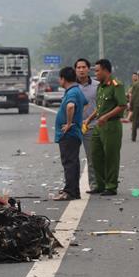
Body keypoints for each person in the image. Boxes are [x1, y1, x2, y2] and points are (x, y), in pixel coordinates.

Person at [83, 59, 127, 196]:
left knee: (111, 157)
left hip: (111, 125)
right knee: (95, 154)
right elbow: (100, 107)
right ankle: (100, 185)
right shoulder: (100, 87)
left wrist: (106, 117)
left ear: (106, 70)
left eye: (97, 70)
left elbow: (122, 105)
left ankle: (111, 186)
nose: (95, 73)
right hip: (98, 125)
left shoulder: (116, 85)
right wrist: (90, 118)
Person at [53, 67, 87, 201]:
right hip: (74, 132)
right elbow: (84, 103)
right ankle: (74, 191)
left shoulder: (72, 92)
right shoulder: (77, 90)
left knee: (69, 163)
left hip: (69, 134)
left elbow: (70, 106)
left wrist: (68, 123)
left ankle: (70, 192)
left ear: (63, 78)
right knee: (73, 162)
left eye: (59, 78)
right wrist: (77, 119)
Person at [74, 58, 98, 190]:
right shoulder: (72, 86)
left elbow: (100, 106)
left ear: (89, 69)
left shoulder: (97, 85)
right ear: (75, 70)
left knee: (92, 157)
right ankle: (73, 186)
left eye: (84, 67)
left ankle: (94, 184)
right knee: (72, 159)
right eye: (79, 67)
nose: (81, 70)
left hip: (91, 125)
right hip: (74, 127)